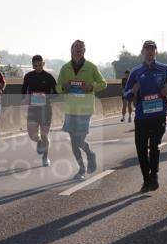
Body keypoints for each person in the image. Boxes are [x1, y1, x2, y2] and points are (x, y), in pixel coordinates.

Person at [124, 41, 167, 192]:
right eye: (147, 50)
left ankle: (154, 175)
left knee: (154, 145)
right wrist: (133, 90)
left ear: (156, 52)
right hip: (141, 116)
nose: (149, 52)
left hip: (159, 114)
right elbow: (126, 95)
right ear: (142, 52)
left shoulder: (164, 69)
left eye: (152, 50)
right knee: (141, 149)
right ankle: (146, 180)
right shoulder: (136, 72)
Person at [57, 40, 107, 179]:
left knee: (79, 140)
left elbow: (103, 83)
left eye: (81, 48)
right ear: (71, 50)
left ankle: (90, 154)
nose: (78, 50)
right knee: (73, 142)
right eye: (76, 47)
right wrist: (63, 87)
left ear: (84, 51)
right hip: (71, 109)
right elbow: (57, 87)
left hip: (85, 109)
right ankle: (81, 168)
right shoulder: (65, 68)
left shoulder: (91, 67)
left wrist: (91, 87)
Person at [21, 55, 57, 168]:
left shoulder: (49, 77)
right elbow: (23, 91)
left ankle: (45, 157)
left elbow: (57, 93)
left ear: (43, 64)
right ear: (32, 65)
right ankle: (39, 141)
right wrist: (25, 98)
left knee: (45, 135)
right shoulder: (28, 76)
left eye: (40, 65)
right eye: (35, 65)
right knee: (32, 135)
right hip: (33, 109)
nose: (38, 67)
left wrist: (46, 96)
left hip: (45, 109)